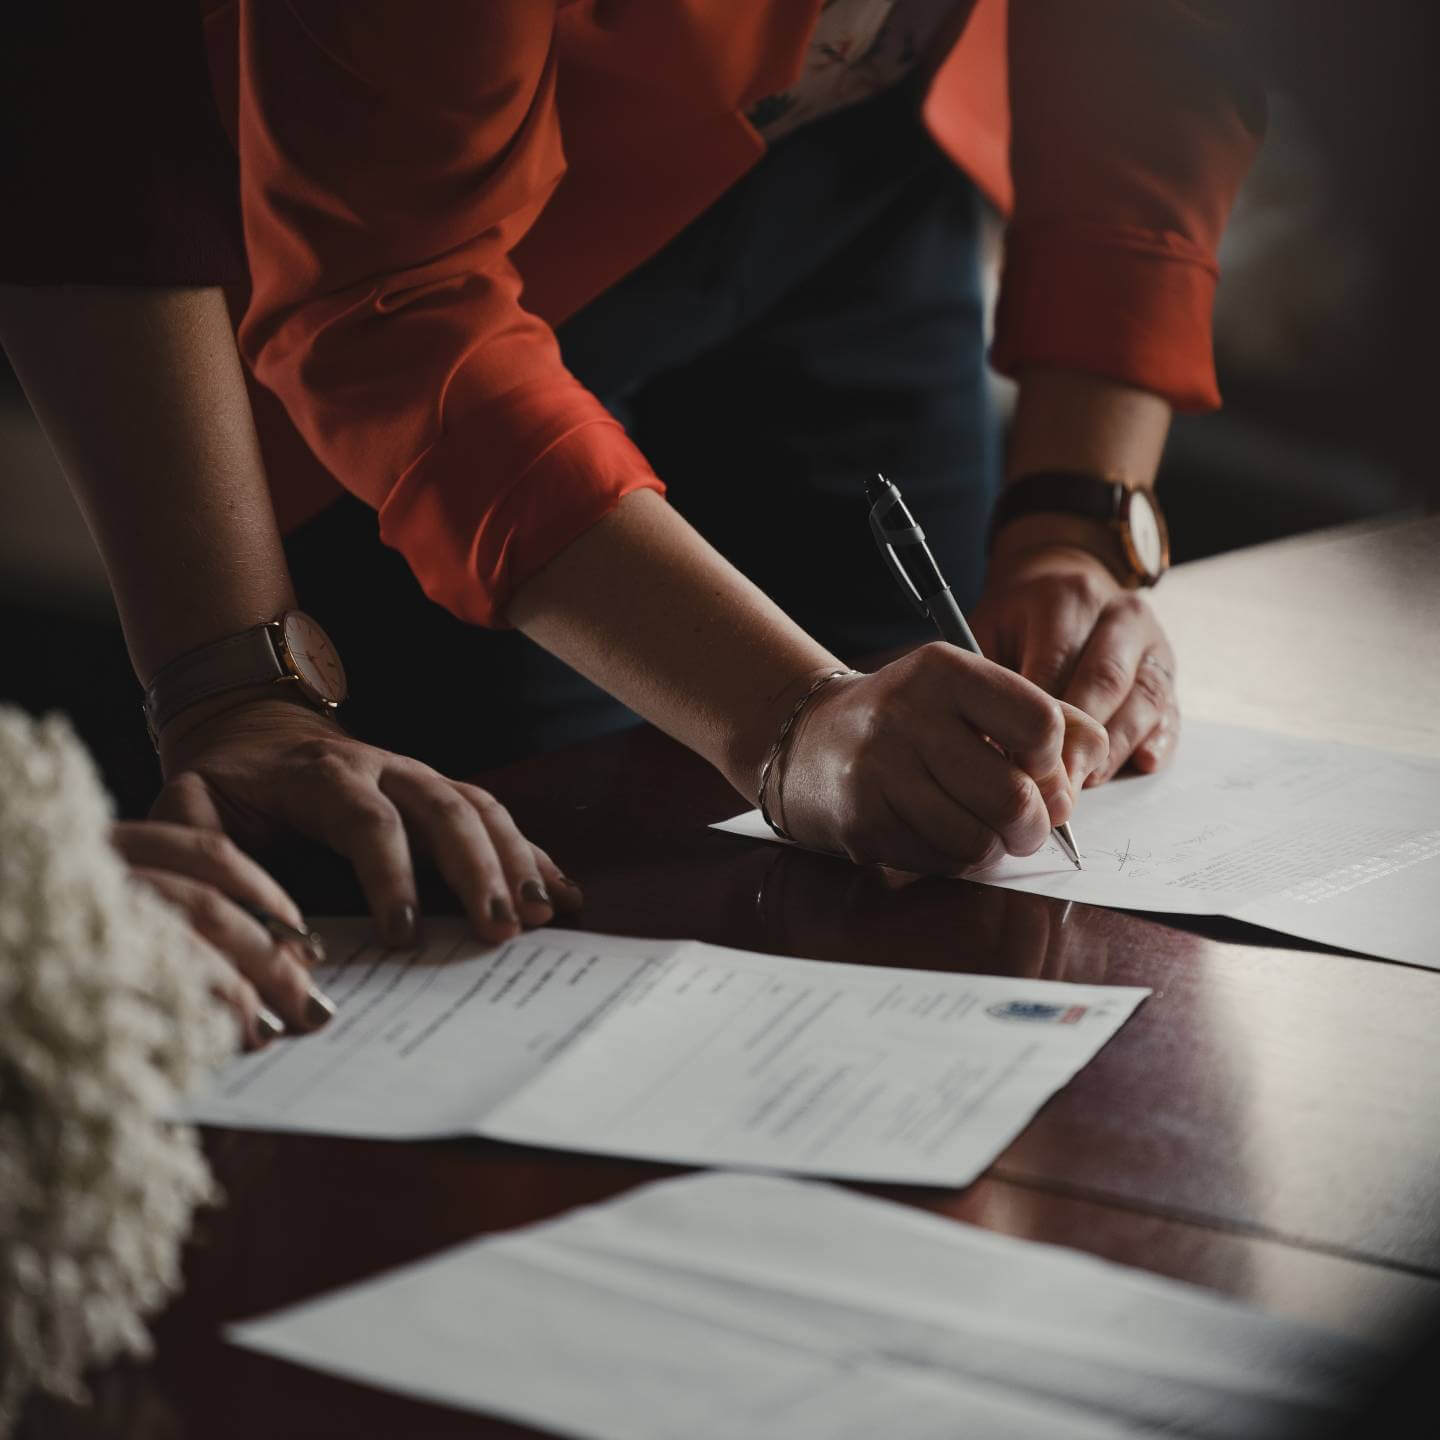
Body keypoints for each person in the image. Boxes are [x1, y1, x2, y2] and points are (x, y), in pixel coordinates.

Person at [185, 0, 1260, 876]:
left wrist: (1073, 520)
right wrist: (785, 716)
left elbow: (1166, 51)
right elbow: (393, 301)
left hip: (865, 156)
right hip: (463, 279)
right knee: (543, 878)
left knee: (938, 808)